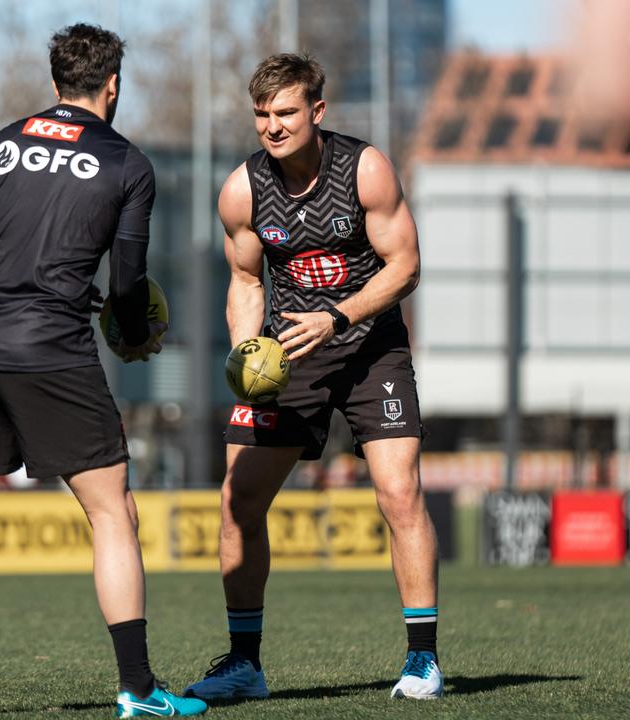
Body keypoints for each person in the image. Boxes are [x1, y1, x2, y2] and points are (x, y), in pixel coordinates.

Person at [0, 23, 206, 719]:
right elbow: (128, 283)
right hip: (52, 352)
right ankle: (138, 691)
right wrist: (129, 330)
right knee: (112, 514)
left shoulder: (0, 144)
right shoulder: (127, 165)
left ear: (56, 80)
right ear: (113, 85)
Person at [183, 53, 443, 702]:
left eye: (286, 112)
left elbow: (404, 266)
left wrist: (338, 317)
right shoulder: (242, 190)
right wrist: (248, 351)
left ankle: (422, 661)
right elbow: (246, 281)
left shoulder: (366, 169)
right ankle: (245, 664)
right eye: (261, 115)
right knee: (239, 501)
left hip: (369, 347)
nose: (272, 126)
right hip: (289, 356)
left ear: (317, 112)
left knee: (398, 493)